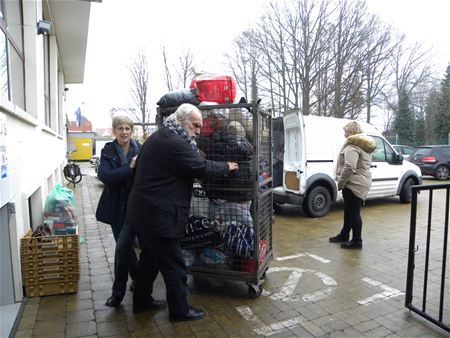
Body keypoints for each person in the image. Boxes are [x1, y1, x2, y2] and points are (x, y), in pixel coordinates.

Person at [127, 103, 238, 321]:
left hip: (144, 213)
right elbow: (201, 167)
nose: (198, 130)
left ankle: (141, 301)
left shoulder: (162, 136)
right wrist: (227, 166)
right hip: (158, 217)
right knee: (175, 266)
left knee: (149, 260)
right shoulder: (174, 142)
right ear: (181, 121)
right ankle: (179, 310)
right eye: (195, 125)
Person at [95, 116, 154, 308]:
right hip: (117, 207)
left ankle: (138, 283)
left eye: (127, 128)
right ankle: (118, 293)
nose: (124, 132)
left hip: (138, 208)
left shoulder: (140, 149)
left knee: (138, 249)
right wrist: (129, 168)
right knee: (123, 249)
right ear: (114, 131)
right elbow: (105, 176)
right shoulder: (109, 150)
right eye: (120, 128)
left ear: (132, 130)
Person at [329, 121, 376, 249]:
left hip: (354, 184)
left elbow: (350, 167)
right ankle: (344, 235)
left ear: (353, 132)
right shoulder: (364, 146)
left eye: (346, 132)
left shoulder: (352, 147)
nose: (345, 135)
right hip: (360, 182)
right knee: (349, 211)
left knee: (354, 212)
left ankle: (357, 241)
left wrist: (340, 183)